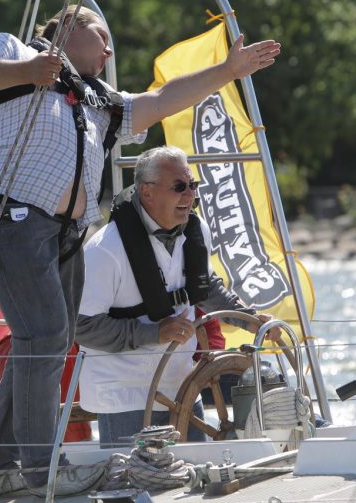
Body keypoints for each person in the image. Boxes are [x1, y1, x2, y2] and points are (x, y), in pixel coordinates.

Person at [0, 5, 280, 498]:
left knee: (38, 338)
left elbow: (163, 98)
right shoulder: (10, 49)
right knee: (47, 334)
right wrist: (27, 72)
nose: (109, 49)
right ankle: (41, 471)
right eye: (101, 36)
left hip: (64, 233)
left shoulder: (97, 100)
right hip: (7, 217)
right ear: (68, 28)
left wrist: (229, 70)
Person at [76, 146, 281, 447]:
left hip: (184, 387)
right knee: (138, 485)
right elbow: (82, 328)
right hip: (123, 395)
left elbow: (205, 289)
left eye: (193, 185)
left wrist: (249, 318)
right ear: (147, 192)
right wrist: (152, 333)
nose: (190, 195)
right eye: (179, 187)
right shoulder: (104, 251)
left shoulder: (196, 233)